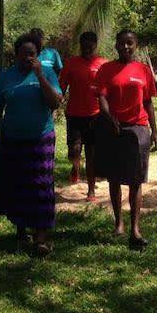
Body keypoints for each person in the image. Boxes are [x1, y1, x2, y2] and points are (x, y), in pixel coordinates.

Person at [0, 32, 62, 257]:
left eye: (33, 54)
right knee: (16, 184)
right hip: (12, 140)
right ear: (16, 55)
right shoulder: (7, 77)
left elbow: (55, 102)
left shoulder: (46, 72)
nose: (28, 58)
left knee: (41, 186)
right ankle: (21, 229)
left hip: (41, 139)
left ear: (38, 55)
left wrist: (40, 77)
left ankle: (41, 238)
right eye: (24, 54)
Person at [94, 29, 157, 251]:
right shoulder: (106, 69)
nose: (125, 47)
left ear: (136, 45)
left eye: (129, 43)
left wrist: (155, 130)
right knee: (114, 178)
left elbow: (148, 101)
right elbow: (102, 97)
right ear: (116, 45)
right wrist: (109, 116)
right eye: (121, 44)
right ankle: (118, 223)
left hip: (138, 129)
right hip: (115, 129)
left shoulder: (143, 70)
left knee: (136, 180)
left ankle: (135, 229)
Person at [59, 31, 108, 197]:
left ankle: (91, 190)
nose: (87, 49)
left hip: (95, 115)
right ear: (80, 46)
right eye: (84, 46)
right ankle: (75, 166)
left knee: (92, 153)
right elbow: (61, 88)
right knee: (74, 150)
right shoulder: (72, 63)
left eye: (90, 46)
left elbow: (108, 90)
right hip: (74, 114)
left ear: (95, 45)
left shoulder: (103, 64)